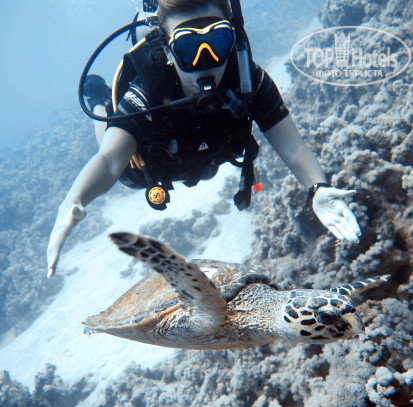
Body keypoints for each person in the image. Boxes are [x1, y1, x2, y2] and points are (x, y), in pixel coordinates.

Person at [46, 0, 361, 278]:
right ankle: (99, 98)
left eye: (218, 41)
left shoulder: (248, 79)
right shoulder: (147, 90)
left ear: (232, 40)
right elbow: (109, 159)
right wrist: (75, 199)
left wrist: (318, 188)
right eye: (187, 47)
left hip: (210, 158)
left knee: (204, 168)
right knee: (116, 148)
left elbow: (293, 146)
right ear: (167, 50)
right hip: (151, 168)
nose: (206, 61)